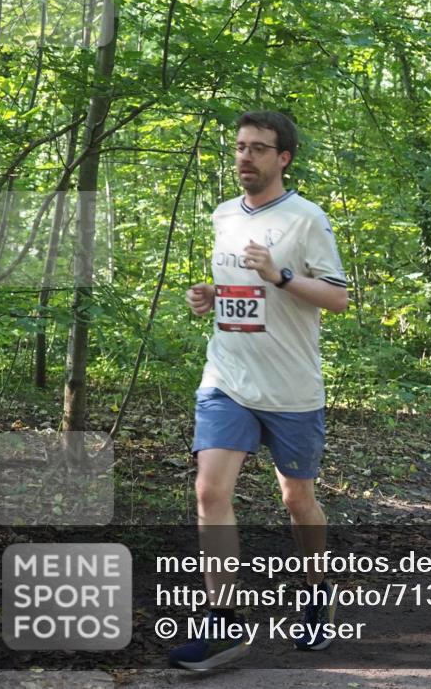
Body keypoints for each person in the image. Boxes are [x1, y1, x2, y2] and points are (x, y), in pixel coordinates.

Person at [169, 111, 348, 669]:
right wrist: (210, 297)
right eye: (240, 147)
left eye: (259, 149)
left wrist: (283, 276)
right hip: (228, 378)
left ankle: (318, 596)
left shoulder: (307, 219)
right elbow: (235, 290)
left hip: (292, 388)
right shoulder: (224, 215)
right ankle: (221, 622)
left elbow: (338, 298)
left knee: (297, 501)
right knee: (209, 492)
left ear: (283, 157)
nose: (245, 157)